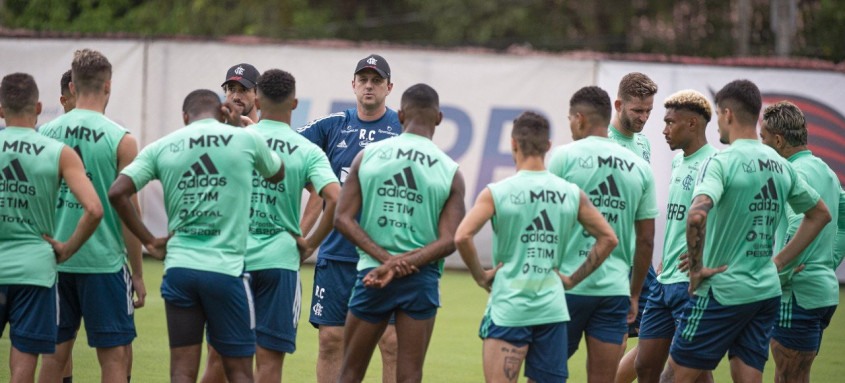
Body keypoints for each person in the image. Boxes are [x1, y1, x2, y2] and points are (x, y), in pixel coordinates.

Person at [108, 89, 284, 382]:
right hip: (226, 271)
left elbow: (117, 192)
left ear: (185, 117)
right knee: (239, 370)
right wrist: (240, 126)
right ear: (221, 112)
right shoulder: (246, 139)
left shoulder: (162, 146)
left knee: (181, 371)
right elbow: (277, 173)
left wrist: (150, 239)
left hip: (180, 270)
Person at [663, 79, 831, 383]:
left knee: (672, 377)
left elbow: (696, 216)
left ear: (727, 114)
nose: (716, 126)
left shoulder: (721, 161)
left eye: (717, 116)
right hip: (766, 293)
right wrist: (778, 263)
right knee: (747, 376)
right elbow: (820, 214)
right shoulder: (782, 166)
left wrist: (697, 269)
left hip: (722, 290)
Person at [455, 111, 618, 383]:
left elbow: (462, 236)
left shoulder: (497, 192)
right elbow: (608, 238)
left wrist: (481, 276)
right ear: (548, 146)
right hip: (551, 309)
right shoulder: (570, 193)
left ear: (513, 144)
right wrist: (572, 279)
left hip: (509, 306)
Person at [201, 69, 341, 383]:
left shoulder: (232, 139)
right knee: (269, 366)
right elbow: (334, 198)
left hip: (231, 260)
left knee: (219, 360)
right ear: (294, 103)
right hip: (280, 262)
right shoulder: (308, 150)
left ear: (258, 99)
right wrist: (307, 241)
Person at [334, 83, 465, 383]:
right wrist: (404, 264)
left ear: (401, 114)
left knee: (350, 373)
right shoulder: (450, 170)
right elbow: (449, 240)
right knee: (409, 376)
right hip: (420, 280)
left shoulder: (367, 156)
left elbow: (342, 218)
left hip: (373, 274)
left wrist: (386, 262)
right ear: (440, 118)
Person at [37, 48, 145, 383]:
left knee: (53, 359)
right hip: (104, 264)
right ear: (108, 86)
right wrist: (138, 273)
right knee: (113, 361)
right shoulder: (122, 140)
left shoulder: (44, 135)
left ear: (72, 87)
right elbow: (129, 213)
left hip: (54, 262)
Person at [297, 53, 401, 383]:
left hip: (382, 253)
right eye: (364, 80)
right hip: (336, 253)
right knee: (330, 340)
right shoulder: (333, 125)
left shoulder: (402, 128)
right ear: (353, 85)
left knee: (391, 341)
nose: (369, 86)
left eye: (377, 81)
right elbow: (284, 145)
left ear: (389, 87)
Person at [548, 86, 657, 383]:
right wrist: (634, 295)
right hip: (614, 291)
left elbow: (549, 223)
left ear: (580, 119)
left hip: (566, 287)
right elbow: (646, 239)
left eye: (571, 119)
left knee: (545, 373)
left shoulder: (563, 157)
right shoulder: (640, 167)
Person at [0, 72, 103, 383]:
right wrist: (67, 247)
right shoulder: (58, 152)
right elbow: (95, 209)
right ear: (39, 107)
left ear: (0, 109)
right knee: (25, 360)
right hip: (36, 269)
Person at [634, 90, 717, 383]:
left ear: (692, 124)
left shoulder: (715, 163)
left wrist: (707, 256)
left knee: (690, 370)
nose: (663, 129)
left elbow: (730, 220)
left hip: (690, 284)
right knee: (645, 365)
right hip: (664, 279)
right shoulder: (678, 161)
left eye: (670, 122)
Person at [760, 101, 845, 383]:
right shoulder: (827, 172)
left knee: (786, 377)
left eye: (763, 138)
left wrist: (779, 272)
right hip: (822, 292)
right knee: (796, 377)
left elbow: (800, 222)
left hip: (796, 293)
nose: (761, 145)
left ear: (779, 140)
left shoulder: (789, 173)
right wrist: (828, 261)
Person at [610, 72, 660, 383]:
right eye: (637, 111)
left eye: (648, 111)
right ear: (618, 104)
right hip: (614, 259)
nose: (643, 118)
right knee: (616, 339)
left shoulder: (643, 144)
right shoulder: (603, 143)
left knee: (658, 336)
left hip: (639, 260)